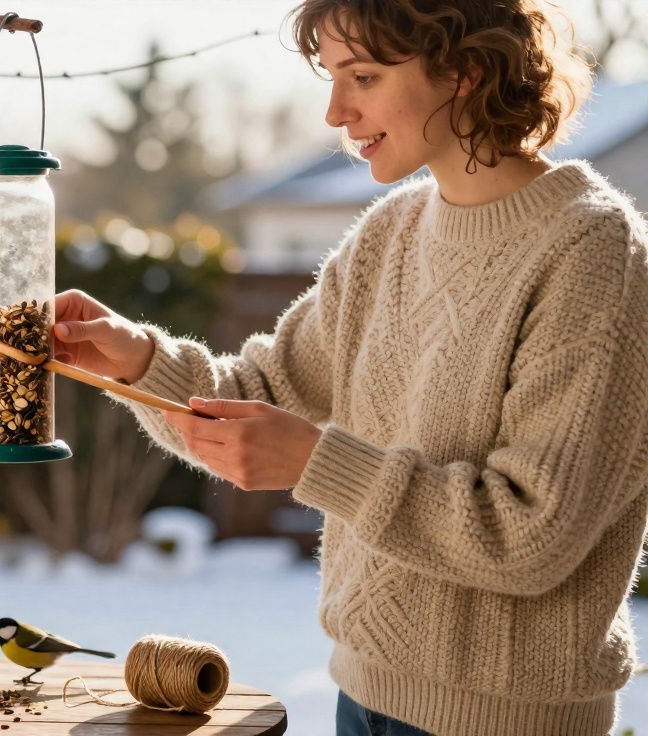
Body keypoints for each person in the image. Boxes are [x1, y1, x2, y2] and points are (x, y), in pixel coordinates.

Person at [52, 1, 648, 734]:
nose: (336, 112)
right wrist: (138, 360)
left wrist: (315, 462)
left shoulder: (591, 252)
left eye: (363, 76)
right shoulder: (388, 235)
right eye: (332, 78)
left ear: (465, 69)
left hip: (506, 721)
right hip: (362, 695)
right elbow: (258, 398)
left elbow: (530, 534)